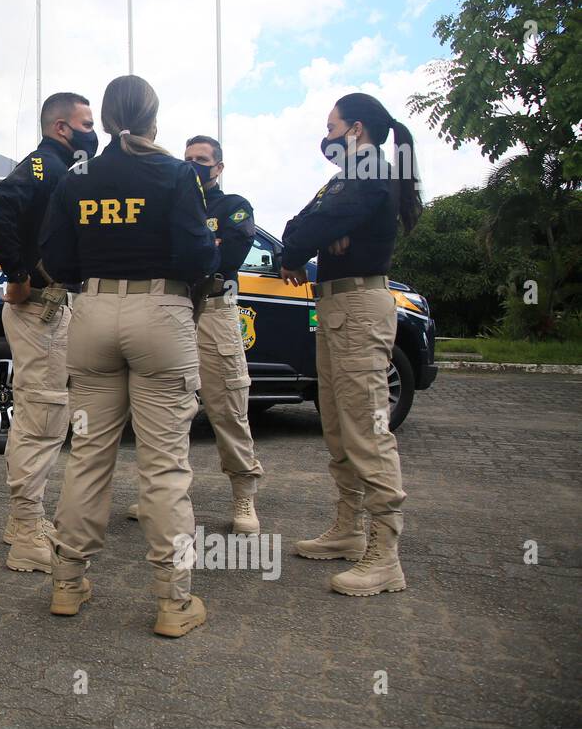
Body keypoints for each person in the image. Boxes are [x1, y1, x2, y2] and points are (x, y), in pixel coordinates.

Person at [40, 75, 218, 637]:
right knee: (164, 463)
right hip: (159, 315)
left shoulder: (77, 176)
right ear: (152, 119)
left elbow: (53, 256)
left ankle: (67, 583)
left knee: (89, 454)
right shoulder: (173, 173)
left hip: (91, 315)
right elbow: (198, 254)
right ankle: (173, 600)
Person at [280, 92, 423, 596]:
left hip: (361, 307)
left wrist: (313, 238)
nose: (327, 135)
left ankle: (385, 557)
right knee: (339, 425)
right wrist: (313, 238)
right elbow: (299, 225)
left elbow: (309, 230)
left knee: (367, 430)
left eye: (331, 125)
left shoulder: (370, 173)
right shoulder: (346, 177)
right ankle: (348, 530)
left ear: (355, 128)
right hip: (336, 305)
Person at [0, 91, 97, 573]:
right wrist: (19, 272)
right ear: (62, 127)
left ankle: (23, 519)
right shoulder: (46, 163)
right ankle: (27, 531)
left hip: (53, 308)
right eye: (86, 122)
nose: (94, 130)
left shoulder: (63, 168)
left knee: (42, 414)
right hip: (40, 309)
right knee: (42, 417)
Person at [130, 135, 264, 532]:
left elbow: (227, 256)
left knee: (228, 407)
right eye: (187, 158)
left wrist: (196, 249)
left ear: (218, 167)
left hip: (215, 311)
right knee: (165, 410)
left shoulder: (234, 207)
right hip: (172, 309)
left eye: (202, 159)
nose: (193, 165)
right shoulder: (171, 203)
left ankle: (243, 498)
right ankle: (159, 495)